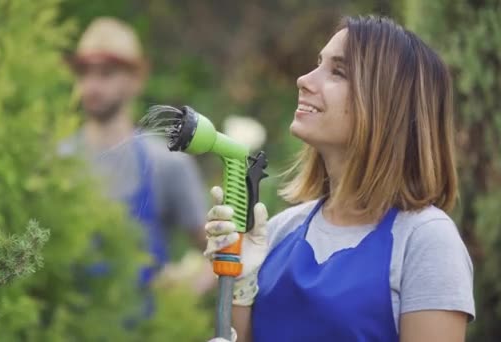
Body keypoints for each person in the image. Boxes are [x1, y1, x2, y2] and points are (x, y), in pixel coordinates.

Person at [205, 15, 475, 342]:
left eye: (339, 72)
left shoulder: (425, 241)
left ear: (389, 106)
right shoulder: (280, 231)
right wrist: (239, 279)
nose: (304, 80)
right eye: (318, 64)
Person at [60, 17, 213, 296]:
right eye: (85, 72)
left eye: (106, 73)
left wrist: (184, 292)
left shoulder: (167, 165)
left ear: (136, 79)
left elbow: (218, 252)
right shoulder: (56, 162)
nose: (92, 85)